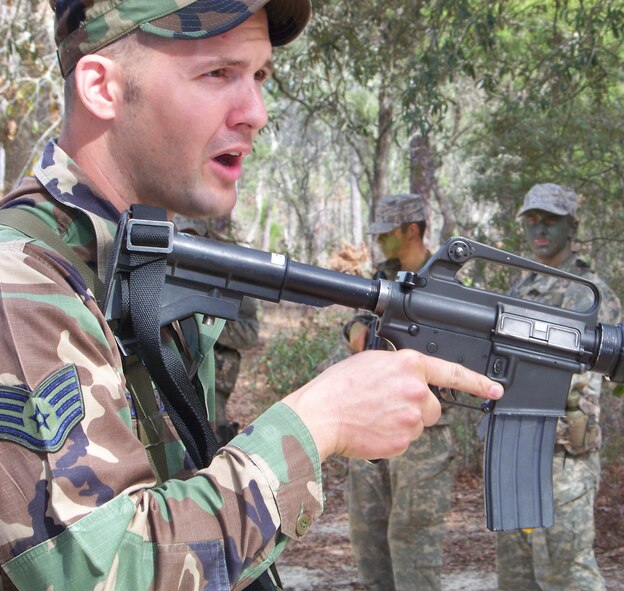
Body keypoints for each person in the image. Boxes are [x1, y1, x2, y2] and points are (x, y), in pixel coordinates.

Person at [0, 3, 504, 590]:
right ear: (101, 88)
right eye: (218, 73)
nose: (256, 113)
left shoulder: (127, 259)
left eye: (260, 75)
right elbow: (105, 571)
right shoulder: (21, 280)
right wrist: (317, 422)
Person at [495, 183, 621, 591]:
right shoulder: (522, 289)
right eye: (532, 220)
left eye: (550, 220)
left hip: (562, 456)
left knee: (566, 572)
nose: (539, 228)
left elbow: (572, 371)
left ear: (571, 226)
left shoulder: (590, 294)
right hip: (514, 449)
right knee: (516, 574)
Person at [341, 193, 455, 590]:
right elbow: (358, 322)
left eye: (386, 233)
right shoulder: (382, 277)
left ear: (411, 230)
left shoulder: (447, 284)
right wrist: (356, 330)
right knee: (367, 536)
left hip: (423, 431)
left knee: (413, 542)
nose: (379, 241)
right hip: (371, 419)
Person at [172, 214, 261, 446]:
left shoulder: (227, 276)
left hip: (212, 379)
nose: (187, 244)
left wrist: (204, 319)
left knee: (210, 438)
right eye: (181, 236)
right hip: (167, 369)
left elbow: (250, 333)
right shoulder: (159, 267)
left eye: (194, 237)